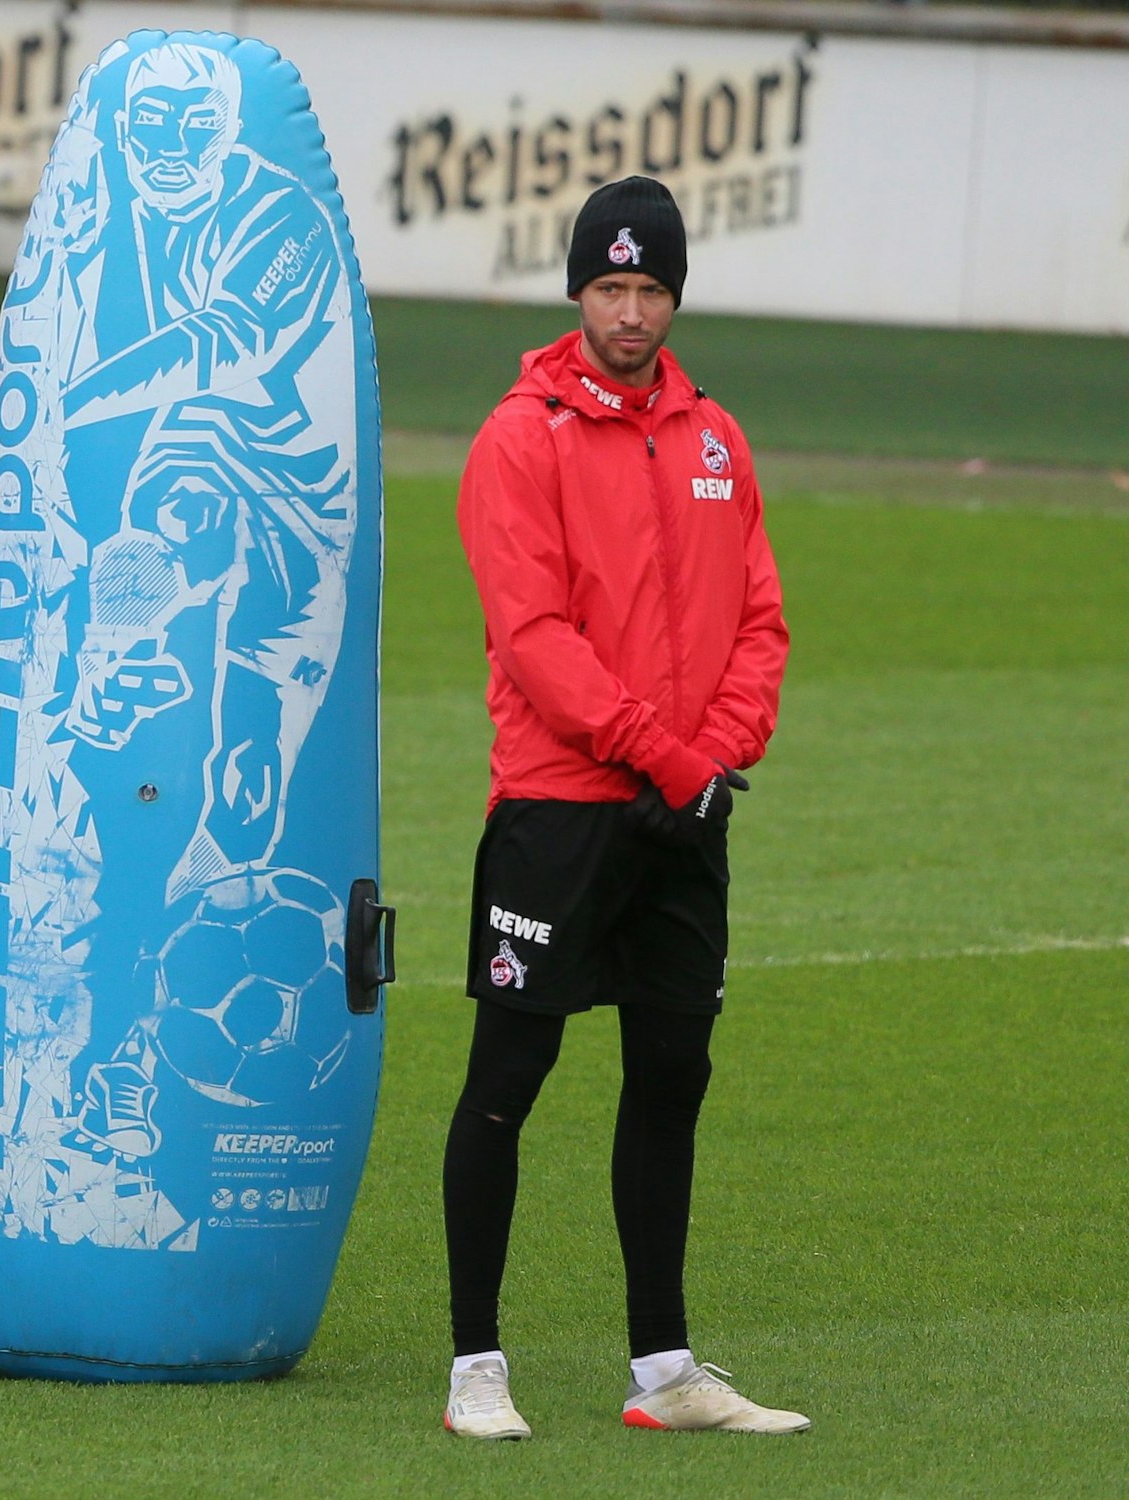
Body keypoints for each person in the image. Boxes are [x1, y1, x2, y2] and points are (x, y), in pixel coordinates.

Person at [443, 176, 803, 1437]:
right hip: (561, 806)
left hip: (681, 807)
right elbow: (531, 634)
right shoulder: (518, 436)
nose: (631, 312)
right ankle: (474, 1368)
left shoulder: (714, 439)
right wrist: (666, 756)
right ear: (576, 292)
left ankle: (664, 1371)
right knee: (508, 1073)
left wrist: (710, 757)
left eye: (650, 289)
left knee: (669, 1070)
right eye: (609, 287)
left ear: (674, 297)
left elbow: (759, 619)